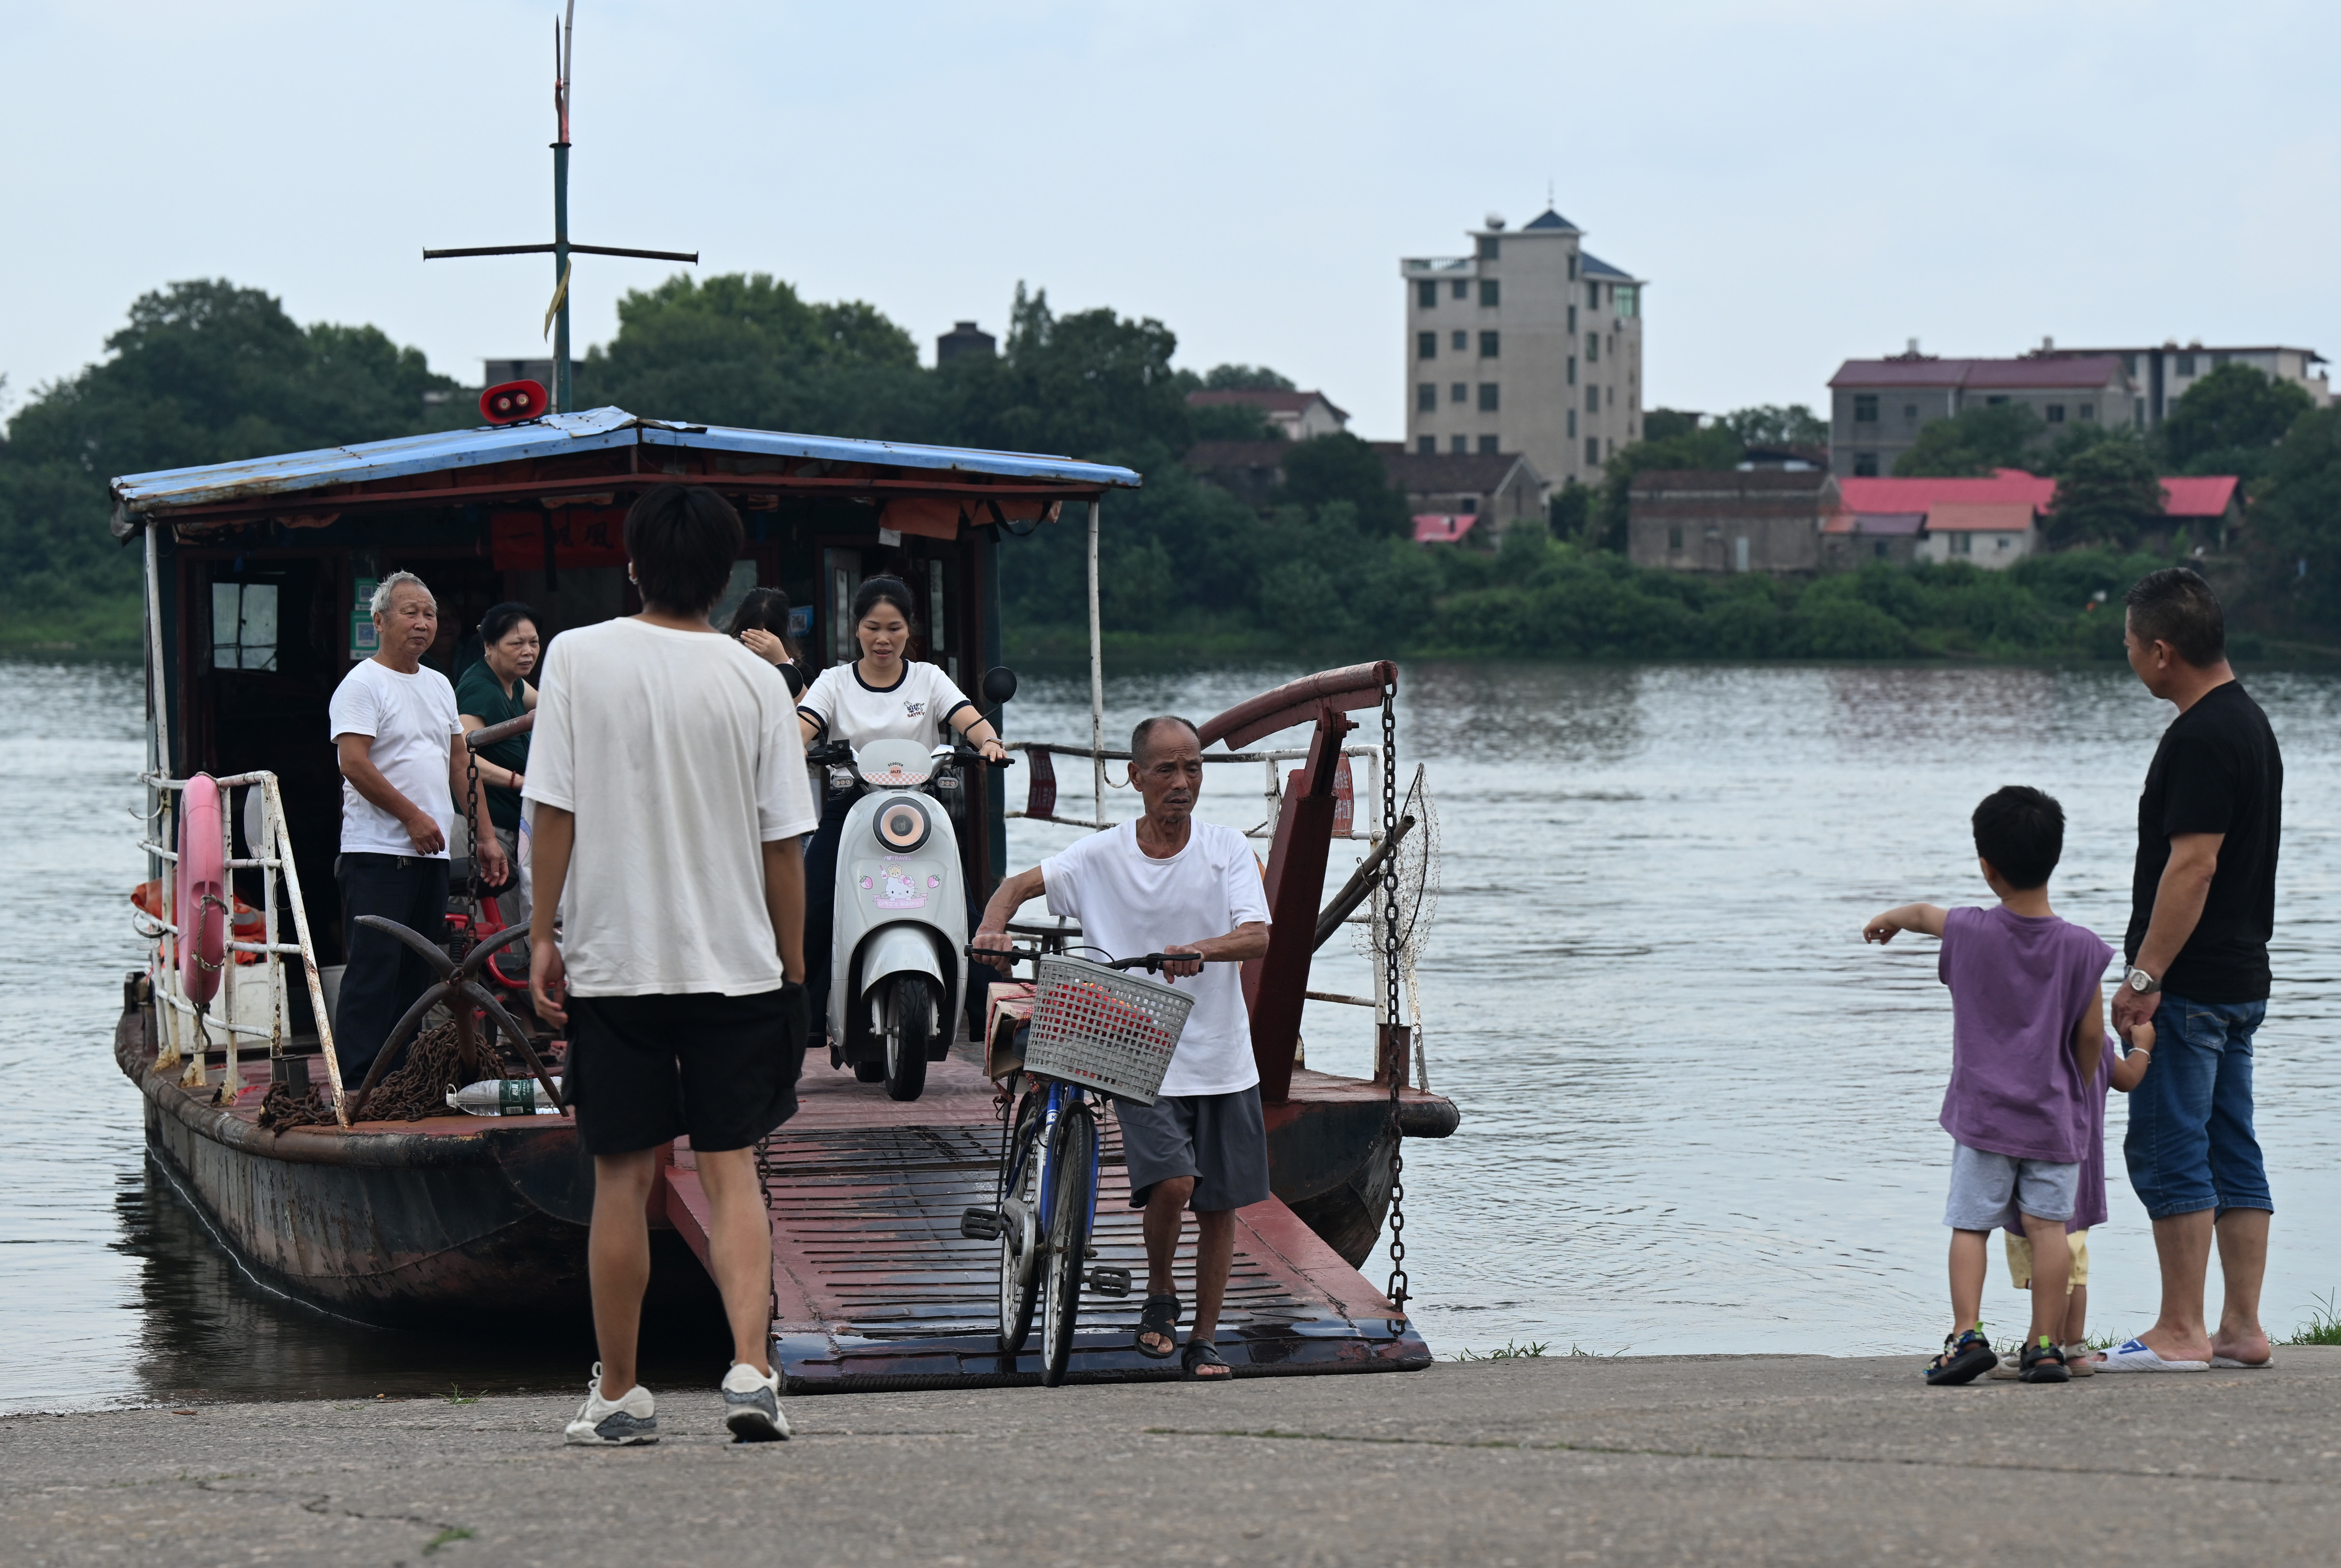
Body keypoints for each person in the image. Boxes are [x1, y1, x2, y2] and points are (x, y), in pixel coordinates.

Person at [523, 485, 819, 1446]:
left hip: (616, 960)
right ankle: (751, 1369)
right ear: (728, 576)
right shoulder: (758, 682)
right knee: (731, 1169)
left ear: (635, 564)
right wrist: (794, 960)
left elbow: (553, 811)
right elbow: (784, 845)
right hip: (736, 959)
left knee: (622, 1177)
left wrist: (540, 935)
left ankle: (619, 1394)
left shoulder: (576, 656)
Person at [973, 716, 1271, 1380]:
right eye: (1165, 769)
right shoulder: (1101, 854)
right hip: (1133, 1043)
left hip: (1222, 1057)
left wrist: (1202, 949)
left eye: (1192, 767)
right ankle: (1160, 1291)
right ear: (1134, 777)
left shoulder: (1225, 849)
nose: (1181, 781)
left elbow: (1258, 935)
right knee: (1173, 1183)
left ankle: (1204, 1339)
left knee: (1218, 1206)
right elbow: (1017, 886)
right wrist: (993, 927)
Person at [1863, 785, 2114, 1386]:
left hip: (1983, 1119)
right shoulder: (2082, 948)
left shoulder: (1970, 932)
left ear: (1986, 866)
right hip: (2054, 1119)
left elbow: (1926, 914)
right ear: (2054, 856)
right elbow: (2089, 1037)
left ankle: (1966, 1333)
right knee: (2049, 1229)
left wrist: (1889, 919)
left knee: (1970, 1224)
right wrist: (2075, 1091)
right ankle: (2046, 1343)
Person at [2099, 568, 2282, 1374]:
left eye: (2132, 646)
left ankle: (2181, 1329)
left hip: (2195, 984)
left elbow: (2193, 868)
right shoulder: (2251, 724)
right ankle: (2240, 1326)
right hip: (2243, 980)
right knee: (2231, 1147)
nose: (2132, 658)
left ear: (2162, 651)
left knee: (2170, 1145)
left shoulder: (2201, 737)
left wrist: (2143, 978)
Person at [795, 576, 1007, 1042]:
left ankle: (995, 1021)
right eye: (873, 627)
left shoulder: (928, 678)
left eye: (894, 628)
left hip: (918, 808)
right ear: (856, 630)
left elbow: (967, 719)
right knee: (811, 907)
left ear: (909, 631)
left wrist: (989, 742)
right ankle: (803, 1023)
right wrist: (788, 746)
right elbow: (803, 726)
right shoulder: (833, 683)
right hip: (851, 805)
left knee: (963, 909)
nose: (883, 638)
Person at [328, 572, 507, 1083]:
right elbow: (354, 763)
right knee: (374, 971)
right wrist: (411, 816)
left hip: (429, 855)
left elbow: (459, 762)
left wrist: (486, 836)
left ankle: (403, 1075)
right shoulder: (362, 683)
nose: (423, 623)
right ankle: (360, 1082)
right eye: (411, 612)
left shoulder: (439, 683)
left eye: (429, 613)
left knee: (416, 977)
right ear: (379, 620)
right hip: (377, 852)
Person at [1987, 1011, 2154, 1380]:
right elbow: (2128, 1079)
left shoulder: (2035, 1046)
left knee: (2050, 1273)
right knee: (2074, 1274)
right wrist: (2142, 1046)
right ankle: (2074, 1351)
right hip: (2086, 1182)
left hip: (2044, 1184)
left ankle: (2044, 1347)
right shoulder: (2098, 1042)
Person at [455, 602, 540, 954]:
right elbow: (462, 755)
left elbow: (559, 703)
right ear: (489, 646)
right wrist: (519, 782)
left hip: (513, 829)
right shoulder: (480, 688)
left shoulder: (514, 685)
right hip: (486, 832)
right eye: (515, 644)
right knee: (500, 939)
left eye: (534, 642)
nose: (527, 652)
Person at [728, 587, 807, 699]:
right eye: (747, 640)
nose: (755, 648)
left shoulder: (801, 672)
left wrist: (783, 662)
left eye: (763, 641)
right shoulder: (727, 665)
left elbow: (808, 713)